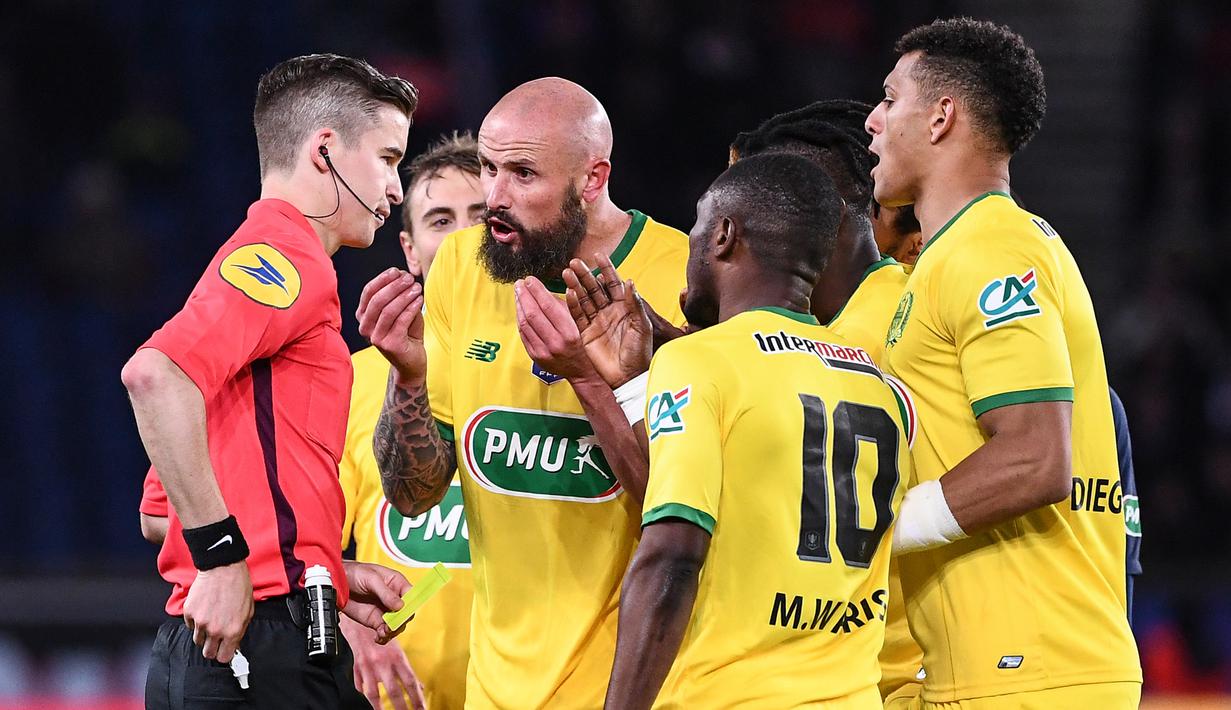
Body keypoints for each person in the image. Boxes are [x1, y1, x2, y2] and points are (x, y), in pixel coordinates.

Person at [356, 78, 689, 707]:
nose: (494, 197)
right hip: (494, 692)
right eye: (488, 168)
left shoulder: (681, 277)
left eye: (523, 174)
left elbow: (681, 512)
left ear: (593, 180)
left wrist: (590, 380)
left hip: (633, 693)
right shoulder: (461, 266)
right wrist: (409, 377)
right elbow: (414, 496)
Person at [121, 54, 419, 709]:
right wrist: (225, 560)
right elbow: (152, 375)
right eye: (389, 158)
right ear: (324, 151)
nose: (396, 190)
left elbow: (156, 515)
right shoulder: (284, 259)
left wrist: (320, 570)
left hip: (240, 645)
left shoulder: (254, 266)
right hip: (258, 651)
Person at [866, 17, 1142, 708]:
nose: (872, 120)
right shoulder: (952, 255)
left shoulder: (991, 251)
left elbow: (1033, 459)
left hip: (1033, 671)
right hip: (994, 671)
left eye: (890, 97)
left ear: (941, 116)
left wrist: (874, 531)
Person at [603, 152, 911, 708]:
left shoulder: (701, 361)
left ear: (723, 235)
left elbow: (671, 558)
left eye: (696, 226)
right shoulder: (876, 384)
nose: (690, 246)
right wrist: (631, 385)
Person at [338, 132, 484, 710]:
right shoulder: (355, 380)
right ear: (409, 247)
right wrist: (349, 624)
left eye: (480, 215)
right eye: (440, 219)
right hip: (402, 698)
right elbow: (308, 548)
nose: (463, 236)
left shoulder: (563, 363)